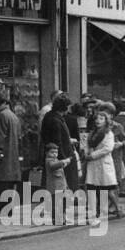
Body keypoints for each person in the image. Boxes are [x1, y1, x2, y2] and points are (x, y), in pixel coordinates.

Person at [39, 94, 76, 225]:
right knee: (60, 190)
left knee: (57, 190)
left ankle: (58, 214)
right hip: (60, 159)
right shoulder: (55, 120)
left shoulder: (51, 117)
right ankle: (59, 215)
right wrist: (65, 159)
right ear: (64, 107)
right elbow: (57, 141)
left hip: (56, 156)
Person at [82, 107, 117, 226]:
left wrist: (92, 155)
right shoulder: (92, 133)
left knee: (103, 190)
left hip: (102, 163)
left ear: (106, 121)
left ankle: (102, 213)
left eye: (101, 118)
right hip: (92, 165)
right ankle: (92, 214)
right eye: (97, 118)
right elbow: (86, 145)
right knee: (91, 188)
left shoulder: (109, 133)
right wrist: (86, 153)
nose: (98, 120)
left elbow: (108, 148)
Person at [0, 91, 22, 210]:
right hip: (13, 155)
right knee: (10, 185)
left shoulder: (1, 116)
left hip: (4, 157)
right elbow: (18, 136)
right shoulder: (13, 116)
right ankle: (9, 208)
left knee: (2, 185)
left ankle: (5, 209)